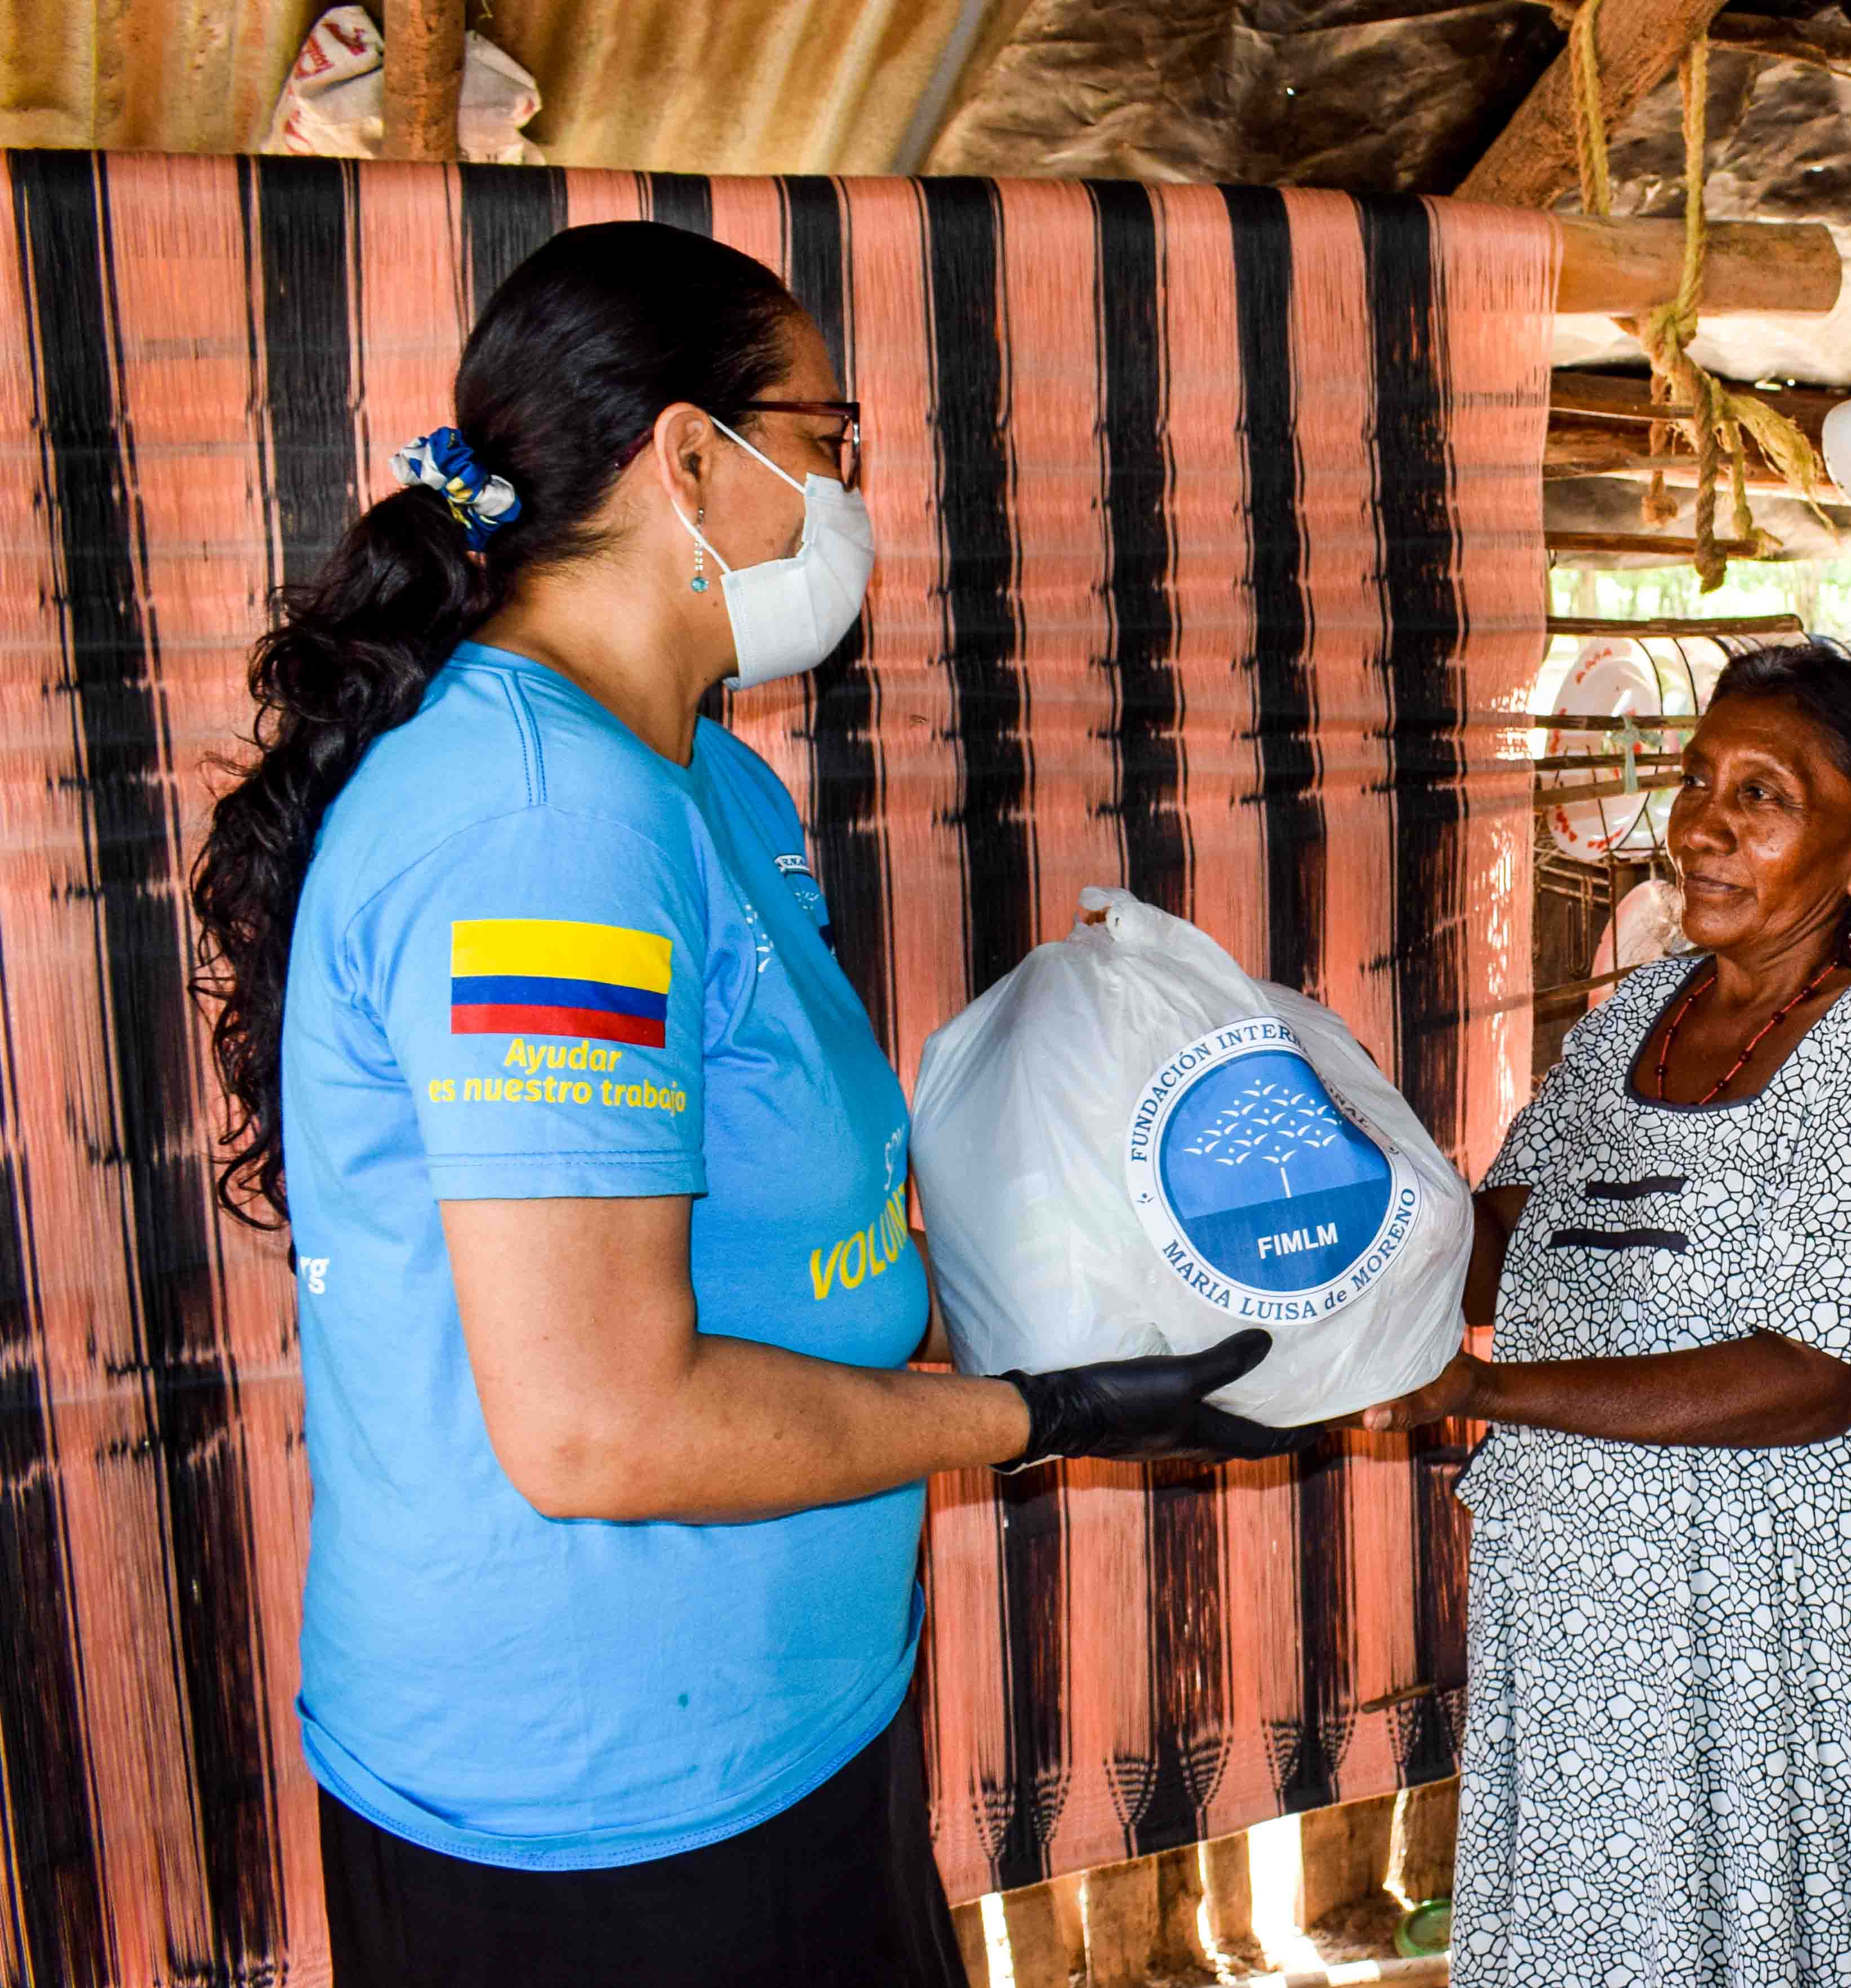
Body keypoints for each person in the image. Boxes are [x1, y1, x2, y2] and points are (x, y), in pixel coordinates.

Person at [189, 221, 1303, 1988]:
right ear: (692, 455)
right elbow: (599, 1429)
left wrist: (1110, 1280)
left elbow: (791, 1219)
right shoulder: (539, 832)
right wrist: (1039, 1411)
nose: (849, 496)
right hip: (602, 1804)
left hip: (770, 1721)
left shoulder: (698, 772)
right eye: (832, 441)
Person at [1364, 642, 1851, 1987]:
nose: (1702, 822)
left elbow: (1816, 1375)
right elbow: (1498, 1251)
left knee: (1757, 1946)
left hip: (1782, 1636)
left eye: (1763, 797)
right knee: (1581, 1938)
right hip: (1588, 1607)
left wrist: (1485, 1394)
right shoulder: (1639, 1014)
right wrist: (1354, 1202)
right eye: (1700, 779)